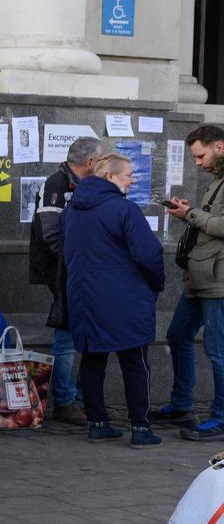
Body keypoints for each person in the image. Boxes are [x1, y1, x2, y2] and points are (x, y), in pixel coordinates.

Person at [63, 153, 164, 446]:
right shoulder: (124, 209)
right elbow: (149, 255)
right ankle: (141, 428)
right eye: (129, 174)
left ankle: (97, 423)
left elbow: (66, 254)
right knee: (135, 363)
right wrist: (155, 285)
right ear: (111, 177)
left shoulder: (73, 209)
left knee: (93, 361)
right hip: (124, 298)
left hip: (84, 298)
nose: (132, 180)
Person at [30, 136, 102, 426]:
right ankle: (65, 400)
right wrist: (77, 262)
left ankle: (82, 398)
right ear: (91, 162)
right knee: (67, 336)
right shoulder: (56, 184)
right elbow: (50, 235)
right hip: (65, 272)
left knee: (86, 335)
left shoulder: (89, 186)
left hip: (83, 272)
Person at [159, 125, 224, 441]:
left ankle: (221, 418)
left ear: (219, 147)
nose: (197, 162)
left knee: (218, 349)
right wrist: (188, 213)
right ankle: (182, 405)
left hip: (219, 280)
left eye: (200, 155)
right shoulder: (217, 181)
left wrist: (192, 214)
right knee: (178, 335)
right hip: (200, 276)